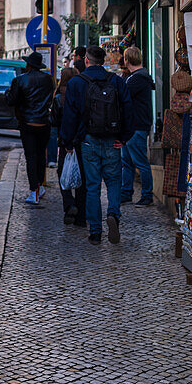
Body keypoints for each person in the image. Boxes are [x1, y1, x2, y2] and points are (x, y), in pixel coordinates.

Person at [60, 45, 134, 245]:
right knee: (113, 182)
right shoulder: (117, 82)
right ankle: (113, 215)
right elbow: (128, 110)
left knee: (92, 186)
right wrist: (125, 137)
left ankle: (95, 231)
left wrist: (68, 142)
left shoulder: (76, 83)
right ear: (103, 61)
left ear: (86, 61)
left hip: (87, 140)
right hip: (113, 140)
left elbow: (70, 115)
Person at [6, 51, 55, 205]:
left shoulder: (19, 80)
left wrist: (7, 92)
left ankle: (33, 191)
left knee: (31, 157)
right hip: (44, 123)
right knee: (41, 155)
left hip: (27, 123)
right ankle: (40, 186)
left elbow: (11, 101)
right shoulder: (49, 80)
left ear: (28, 65)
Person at [121, 45, 155, 205]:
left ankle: (147, 195)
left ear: (127, 60)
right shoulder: (138, 76)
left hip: (136, 126)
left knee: (140, 162)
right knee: (127, 161)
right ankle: (126, 192)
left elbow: (122, 94)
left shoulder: (138, 78)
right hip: (132, 126)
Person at [54, 65, 87, 227]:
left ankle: (69, 204)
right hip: (81, 139)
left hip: (65, 140)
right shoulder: (82, 94)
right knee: (81, 176)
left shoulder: (59, 97)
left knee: (63, 173)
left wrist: (67, 142)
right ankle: (81, 216)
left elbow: (55, 121)